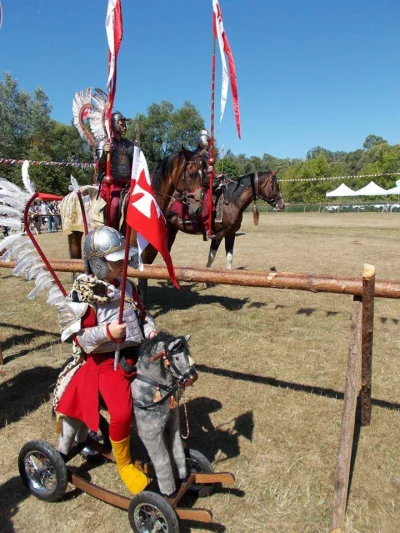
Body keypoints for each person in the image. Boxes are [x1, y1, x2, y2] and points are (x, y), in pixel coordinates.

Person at [54, 226, 157, 495]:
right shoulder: (86, 293)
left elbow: (142, 316)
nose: (124, 264)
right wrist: (107, 332)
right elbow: (78, 338)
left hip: (134, 356)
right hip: (105, 364)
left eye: (123, 258)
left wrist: (150, 328)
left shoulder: (127, 287)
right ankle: (124, 464)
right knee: (121, 412)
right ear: (98, 263)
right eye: (116, 261)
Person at [96, 112, 134, 229]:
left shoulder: (129, 145)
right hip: (112, 185)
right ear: (114, 124)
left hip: (128, 185)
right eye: (121, 125)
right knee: (114, 206)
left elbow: (134, 166)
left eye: (124, 125)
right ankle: (111, 230)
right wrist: (105, 154)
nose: (124, 127)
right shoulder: (104, 143)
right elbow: (99, 167)